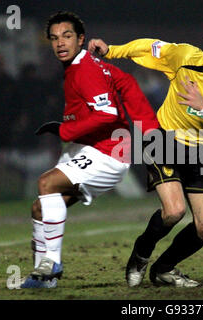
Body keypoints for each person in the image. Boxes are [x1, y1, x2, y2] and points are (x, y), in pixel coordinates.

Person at [88, 30, 203, 287]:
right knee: (174, 211)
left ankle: (164, 269)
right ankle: (141, 254)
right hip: (165, 141)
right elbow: (148, 46)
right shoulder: (184, 56)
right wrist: (111, 50)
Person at [20, 11, 159, 288]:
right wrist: (150, 128)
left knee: (46, 182)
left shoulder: (85, 70)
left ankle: (52, 262)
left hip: (107, 152)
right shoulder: (92, 65)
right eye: (55, 38)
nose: (60, 43)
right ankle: (43, 277)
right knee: (40, 208)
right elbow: (127, 83)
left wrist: (64, 130)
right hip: (90, 148)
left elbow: (107, 113)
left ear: (81, 39)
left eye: (67, 36)